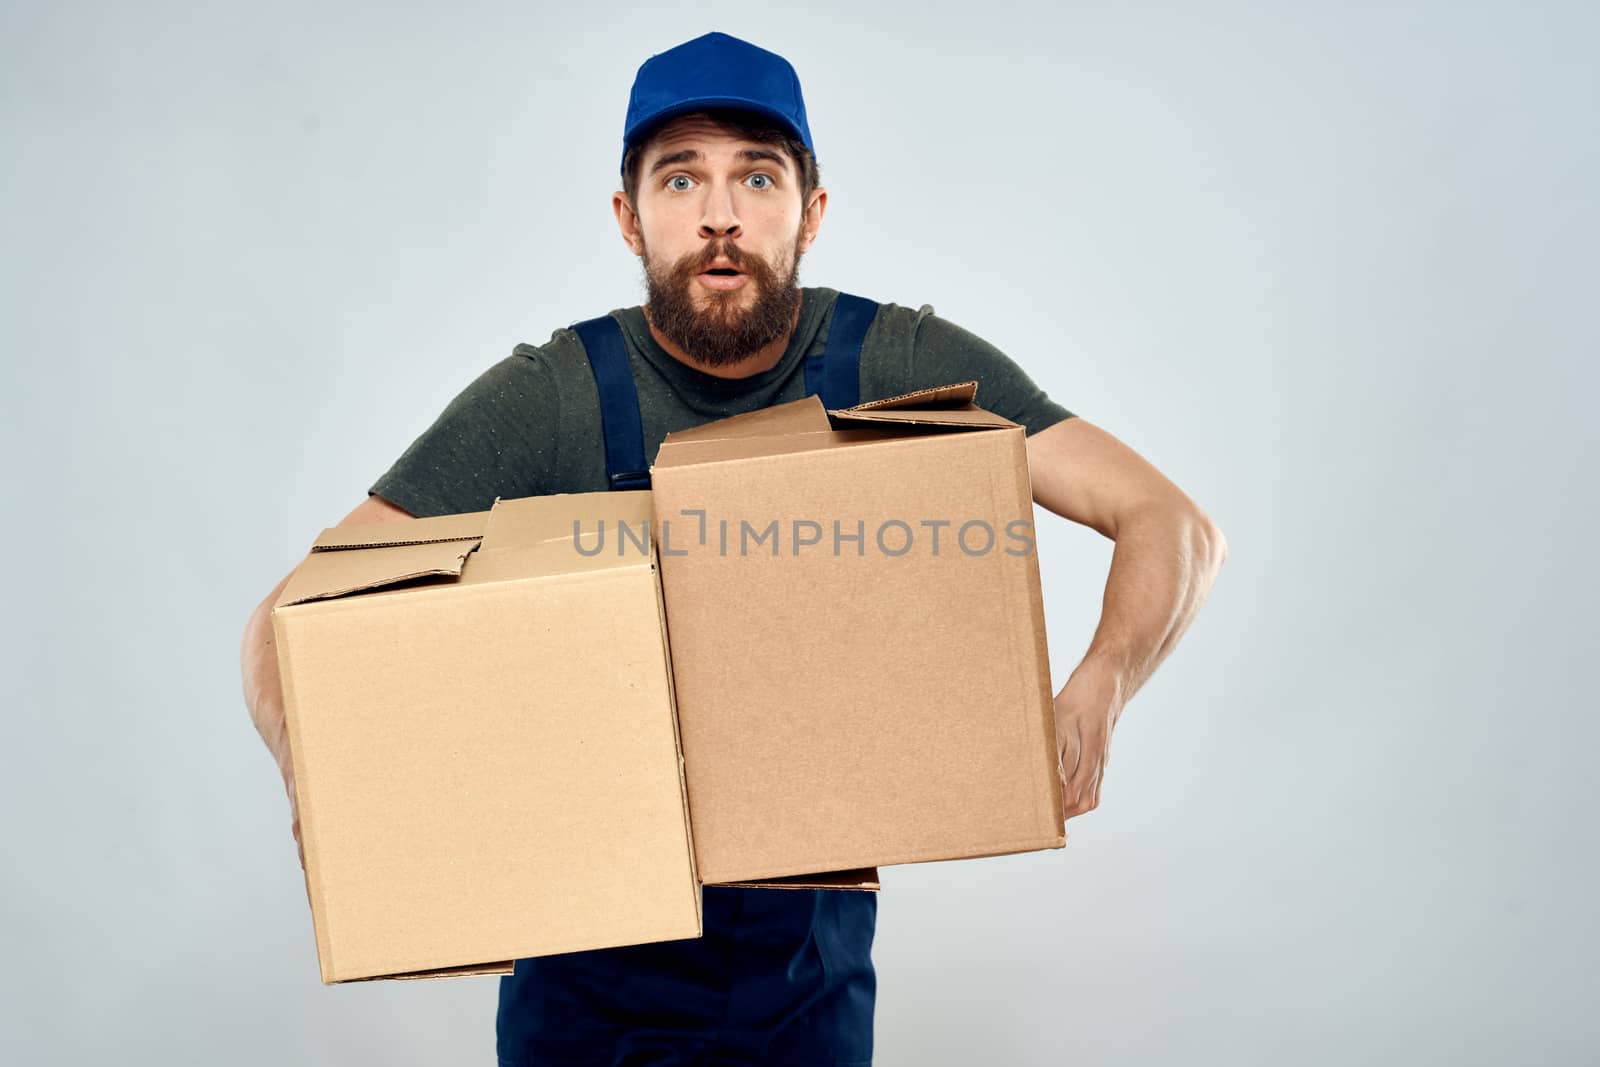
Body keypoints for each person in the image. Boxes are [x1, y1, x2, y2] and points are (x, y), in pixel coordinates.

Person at [239, 30, 1227, 1067]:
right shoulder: (551, 395)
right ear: (630, 219)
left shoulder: (895, 363)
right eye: (680, 179)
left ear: (811, 210)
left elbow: (1172, 524)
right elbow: (287, 617)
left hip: (805, 992)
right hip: (580, 1001)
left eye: (757, 175)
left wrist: (1100, 684)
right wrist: (323, 778)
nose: (719, 213)